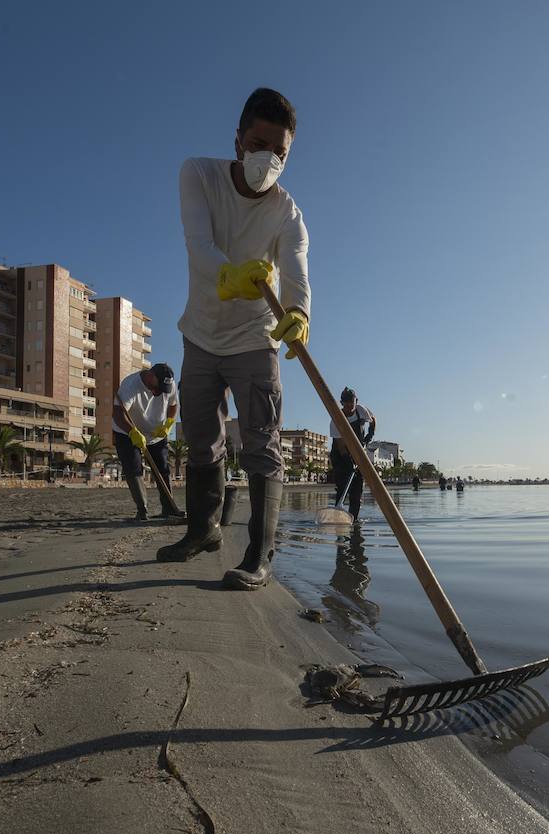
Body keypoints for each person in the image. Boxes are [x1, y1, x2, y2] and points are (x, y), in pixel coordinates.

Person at [157, 87, 311, 593]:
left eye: (280, 152)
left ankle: (259, 556)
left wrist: (298, 314)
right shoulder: (198, 174)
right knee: (201, 440)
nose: (268, 159)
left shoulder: (287, 213)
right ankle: (203, 530)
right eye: (258, 144)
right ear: (238, 140)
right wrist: (229, 275)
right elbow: (198, 243)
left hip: (255, 339)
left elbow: (296, 274)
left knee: (262, 443)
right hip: (201, 334)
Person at [112, 363, 184, 521]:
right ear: (150, 376)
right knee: (134, 468)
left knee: (163, 468)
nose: (160, 393)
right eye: (158, 388)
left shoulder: (168, 385)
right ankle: (142, 510)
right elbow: (118, 414)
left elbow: (173, 405)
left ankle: (169, 509)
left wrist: (168, 424)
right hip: (127, 431)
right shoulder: (130, 385)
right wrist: (133, 432)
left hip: (156, 433)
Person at [328, 387, 375, 520]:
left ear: (356, 401)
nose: (350, 408)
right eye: (346, 405)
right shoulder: (336, 419)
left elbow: (373, 419)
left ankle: (354, 520)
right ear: (342, 403)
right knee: (342, 486)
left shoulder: (361, 410)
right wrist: (349, 462)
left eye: (352, 404)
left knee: (357, 490)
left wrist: (370, 434)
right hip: (340, 455)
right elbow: (341, 445)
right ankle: (338, 517)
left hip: (359, 453)